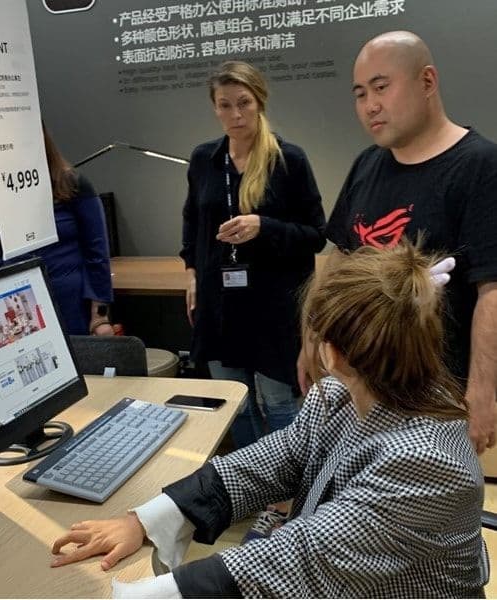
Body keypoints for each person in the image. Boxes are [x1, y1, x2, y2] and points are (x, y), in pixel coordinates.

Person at [49, 240, 486, 598]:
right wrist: (144, 520)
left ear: (332, 353)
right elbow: (270, 461)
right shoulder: (342, 395)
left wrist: (143, 594)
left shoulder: (426, 460)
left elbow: (303, 557)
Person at [310, 30, 497, 454]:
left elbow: (492, 289)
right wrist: (314, 335)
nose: (369, 105)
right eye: (359, 94)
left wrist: (484, 392)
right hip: (362, 389)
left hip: (437, 399)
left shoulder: (481, 166)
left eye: (381, 87)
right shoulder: (367, 164)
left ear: (427, 82)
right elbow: (340, 254)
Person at [180, 60, 326, 450]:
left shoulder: (288, 160)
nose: (235, 114)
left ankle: (288, 492)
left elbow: (317, 235)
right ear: (214, 107)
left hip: (273, 305)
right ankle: (253, 484)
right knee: (235, 402)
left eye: (243, 102)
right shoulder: (203, 159)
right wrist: (192, 274)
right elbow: (192, 221)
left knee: (279, 402)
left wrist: (266, 226)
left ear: (259, 102)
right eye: (224, 105)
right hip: (221, 302)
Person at [0, 125, 114, 337]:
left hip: (72, 306)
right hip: (19, 309)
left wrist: (100, 315)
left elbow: (97, 252)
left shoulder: (71, 183)